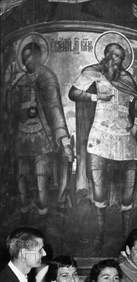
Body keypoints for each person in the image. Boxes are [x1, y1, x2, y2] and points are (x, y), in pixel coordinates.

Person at [69, 42, 137, 252]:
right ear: (105, 55)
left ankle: (126, 236)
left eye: (121, 57)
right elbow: (74, 93)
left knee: (128, 188)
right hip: (100, 136)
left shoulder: (126, 79)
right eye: (114, 55)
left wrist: (135, 128)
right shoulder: (93, 73)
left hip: (125, 140)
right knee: (99, 186)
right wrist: (96, 96)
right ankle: (100, 233)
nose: (118, 60)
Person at [11, 39, 73, 227]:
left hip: (42, 134)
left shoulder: (47, 77)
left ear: (39, 57)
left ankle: (43, 216)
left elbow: (54, 108)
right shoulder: (20, 81)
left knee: (41, 176)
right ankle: (24, 213)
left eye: (30, 57)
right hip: (22, 136)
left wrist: (64, 141)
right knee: (21, 176)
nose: (27, 62)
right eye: (24, 58)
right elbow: (11, 110)